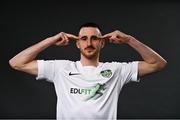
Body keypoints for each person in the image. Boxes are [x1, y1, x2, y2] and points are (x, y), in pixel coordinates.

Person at [9, 22, 167, 120]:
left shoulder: (116, 70)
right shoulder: (60, 68)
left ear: (102, 43)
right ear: (77, 44)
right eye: (83, 38)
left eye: (95, 38)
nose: (89, 43)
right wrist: (50, 40)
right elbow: (16, 63)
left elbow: (158, 64)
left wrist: (129, 40)